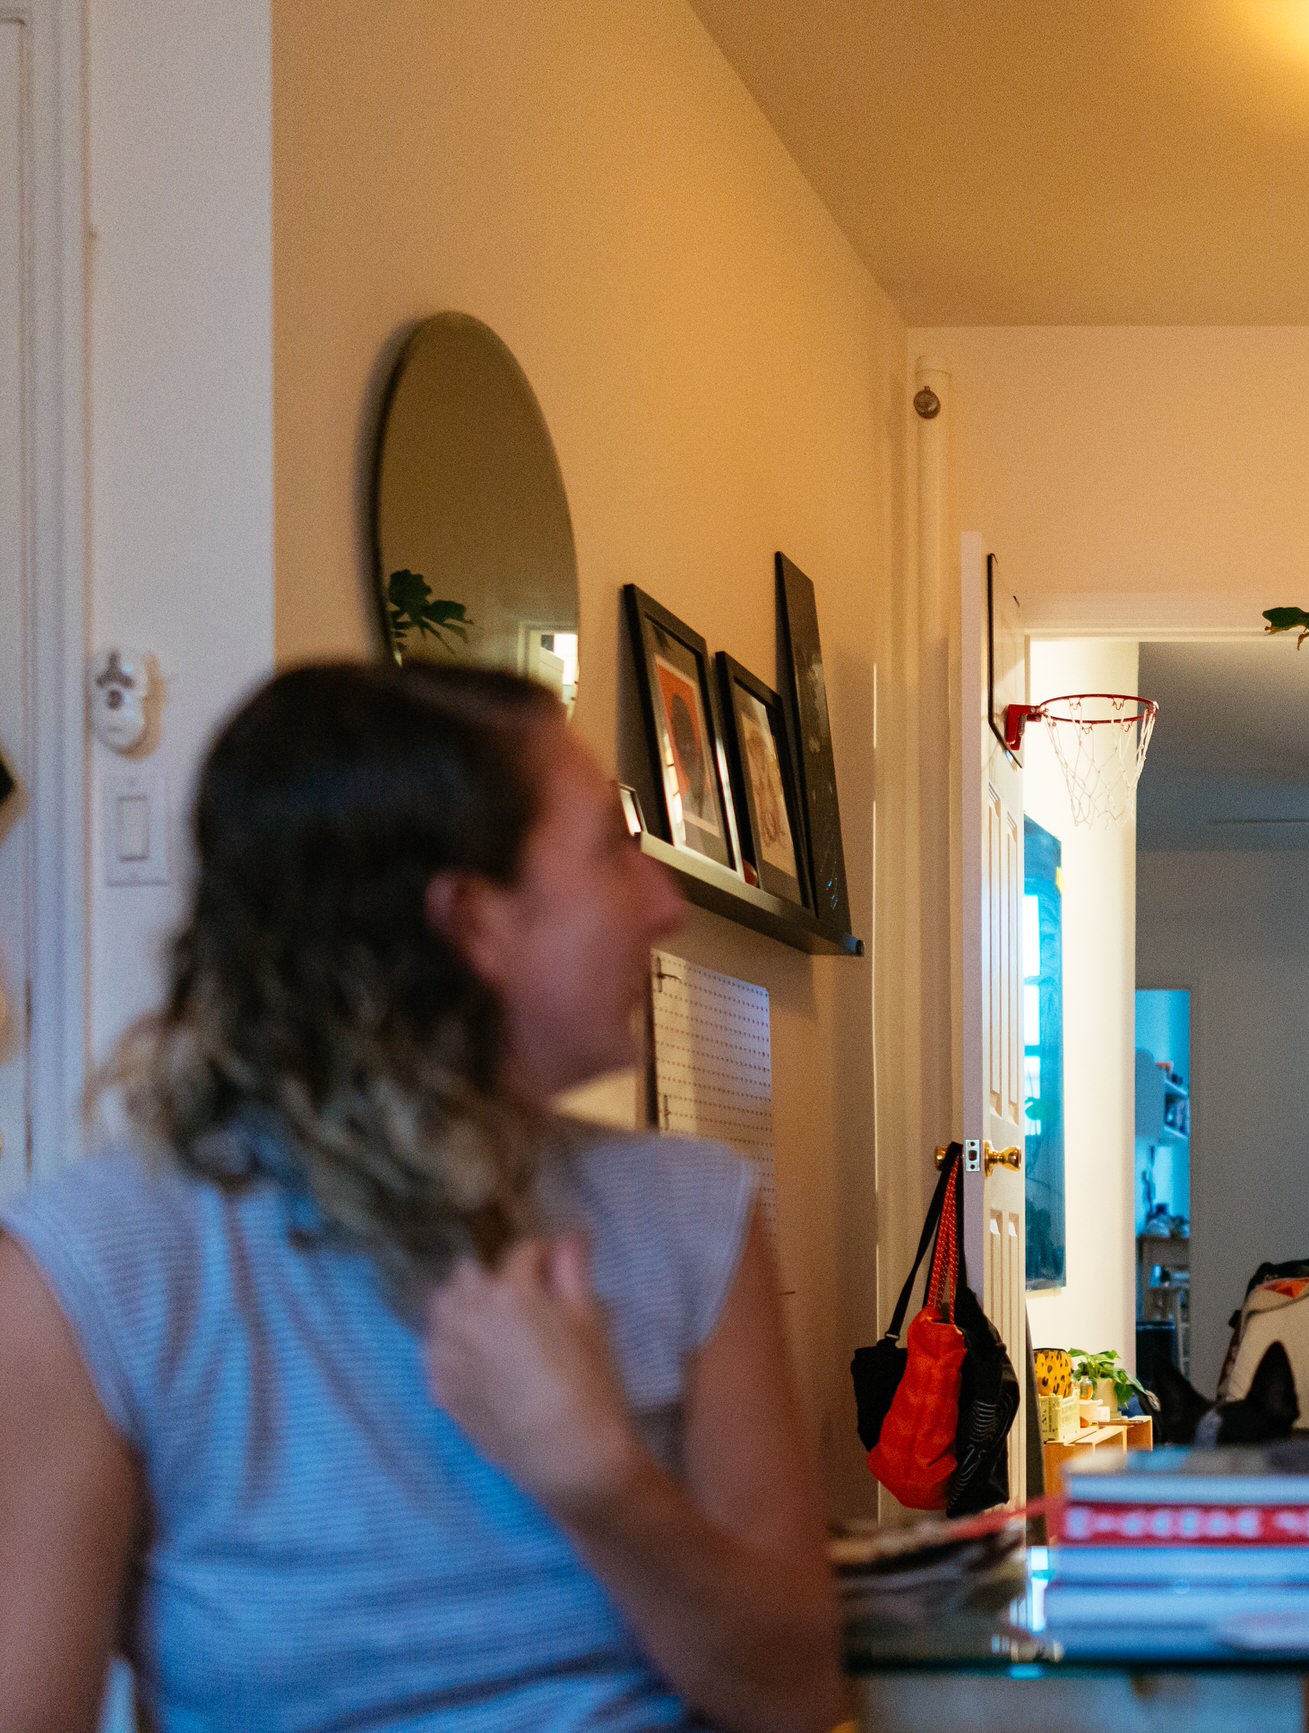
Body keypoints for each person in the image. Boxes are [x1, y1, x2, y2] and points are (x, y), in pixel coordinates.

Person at [0, 663, 847, 1732]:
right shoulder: (88, 1275)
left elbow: (795, 1693)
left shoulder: (692, 1214)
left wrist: (601, 1479)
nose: (664, 907)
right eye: (611, 851)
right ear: (473, 921)